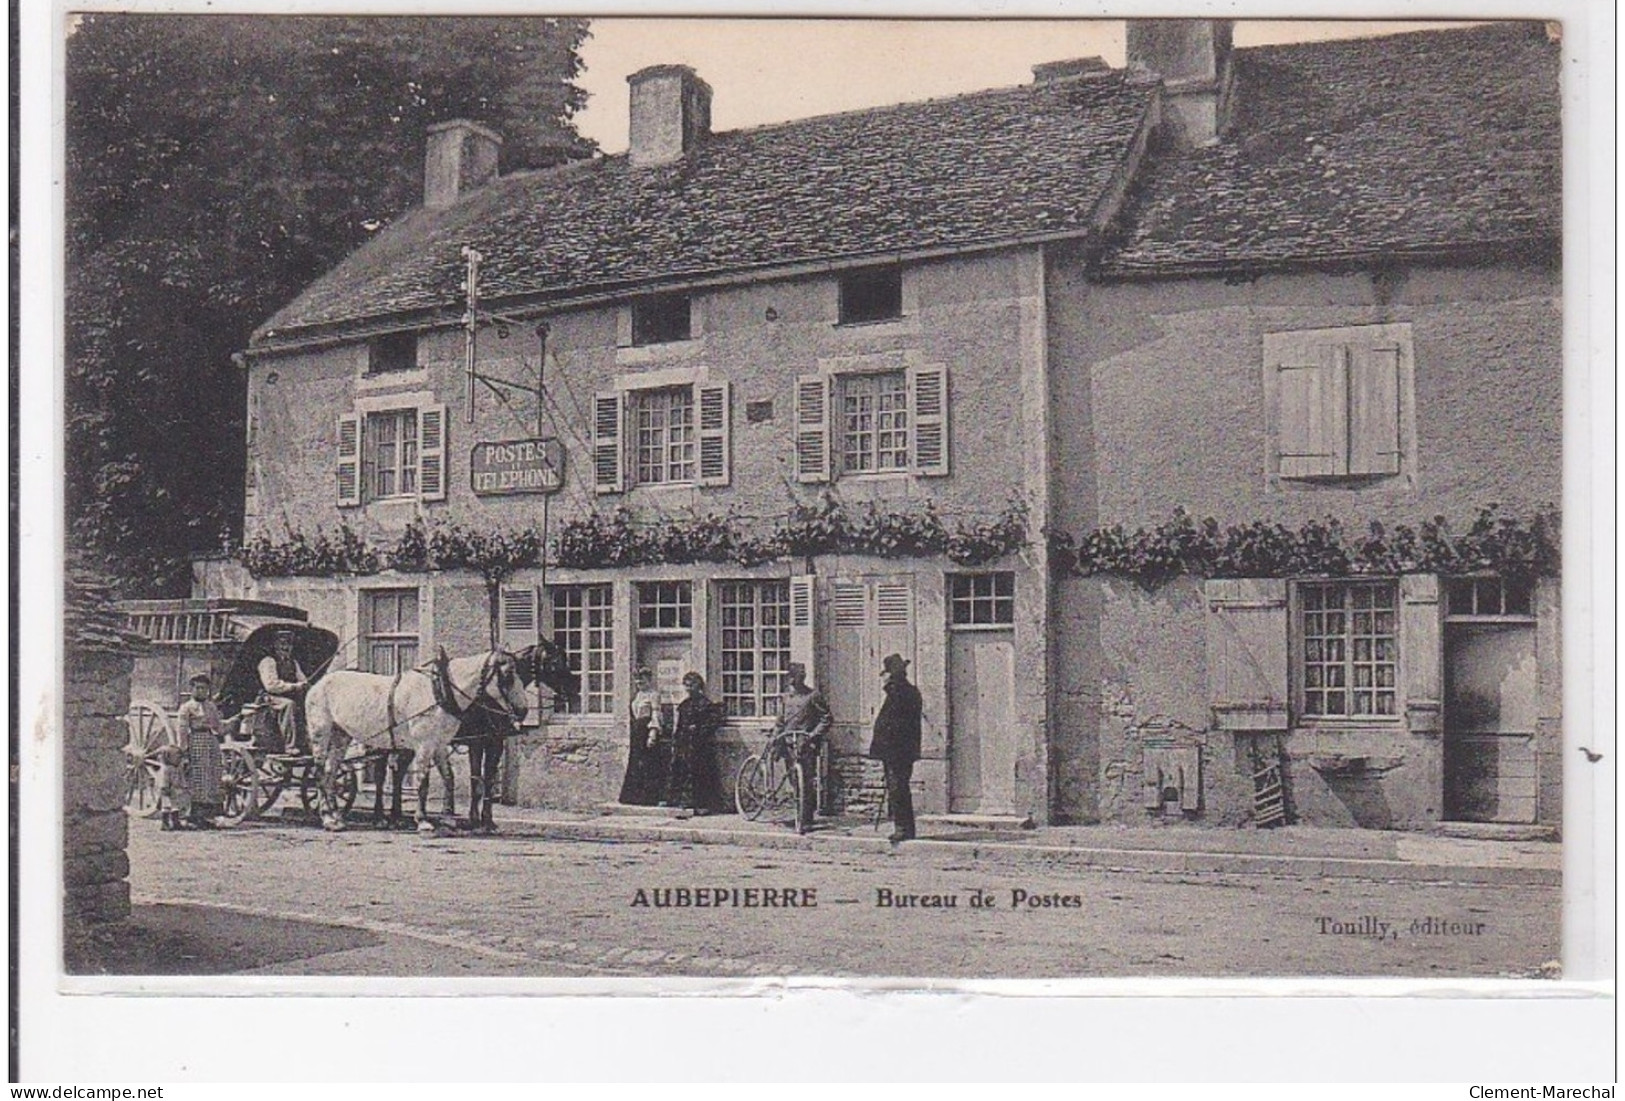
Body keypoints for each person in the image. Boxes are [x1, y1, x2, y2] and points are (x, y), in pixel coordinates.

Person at [868, 653, 922, 843]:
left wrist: (887, 746)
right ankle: (904, 827)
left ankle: (903, 828)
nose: (884, 677)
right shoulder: (902, 692)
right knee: (897, 788)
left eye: (887, 673)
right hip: (898, 750)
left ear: (893, 675)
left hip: (898, 751)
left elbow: (898, 726)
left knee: (898, 788)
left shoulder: (901, 693)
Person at [773, 662, 832, 834]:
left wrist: (813, 735)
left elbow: (826, 718)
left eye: (798, 676)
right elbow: (780, 722)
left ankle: (806, 818)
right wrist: (775, 736)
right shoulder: (785, 698)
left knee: (806, 781)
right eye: (791, 676)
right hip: (788, 744)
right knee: (794, 780)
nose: (794, 679)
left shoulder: (813, 696)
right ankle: (799, 814)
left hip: (806, 744)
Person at [663, 672, 723, 818]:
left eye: (692, 685)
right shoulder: (684, 705)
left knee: (699, 774)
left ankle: (701, 803)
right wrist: (676, 741)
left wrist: (698, 728)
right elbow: (679, 725)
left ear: (699, 686)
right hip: (684, 744)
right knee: (681, 770)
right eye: (687, 685)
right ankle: (680, 800)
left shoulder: (706, 704)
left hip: (700, 746)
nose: (689, 688)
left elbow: (713, 723)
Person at [173, 672, 225, 828]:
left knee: (213, 775)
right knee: (198, 778)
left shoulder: (211, 706)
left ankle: (211, 815)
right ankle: (195, 816)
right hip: (196, 741)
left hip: (211, 742)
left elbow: (218, 727)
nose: (202, 691)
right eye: (198, 688)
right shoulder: (186, 708)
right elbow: (182, 731)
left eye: (205, 689)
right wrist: (183, 751)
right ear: (192, 689)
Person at [618, 667, 667, 805]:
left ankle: (649, 797)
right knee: (636, 762)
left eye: (643, 680)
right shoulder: (638, 696)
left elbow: (656, 714)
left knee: (649, 763)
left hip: (647, 730)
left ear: (649, 680)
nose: (639, 683)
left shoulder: (654, 695)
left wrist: (653, 734)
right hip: (637, 732)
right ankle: (634, 796)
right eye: (637, 681)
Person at [258, 629, 309, 755]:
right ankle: (290, 746)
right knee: (289, 705)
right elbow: (271, 685)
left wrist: (305, 685)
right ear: (275, 645)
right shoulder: (268, 662)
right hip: (270, 698)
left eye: (288, 644)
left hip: (289, 695)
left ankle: (306, 742)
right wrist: (294, 687)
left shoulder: (293, 663)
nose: (285, 647)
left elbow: (302, 679)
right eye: (282, 644)